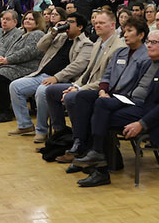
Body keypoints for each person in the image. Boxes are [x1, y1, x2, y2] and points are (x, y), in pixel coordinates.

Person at [72, 29, 159, 187]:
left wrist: (142, 124)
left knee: (99, 113)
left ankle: (98, 162)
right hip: (130, 101)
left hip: (146, 111)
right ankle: (89, 151)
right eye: (148, 42)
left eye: (154, 43)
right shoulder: (148, 63)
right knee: (85, 97)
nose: (149, 45)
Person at [56, 15, 150, 166]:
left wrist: (108, 96)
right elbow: (106, 75)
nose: (125, 34)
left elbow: (138, 88)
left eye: (129, 31)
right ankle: (80, 142)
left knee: (99, 107)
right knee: (82, 97)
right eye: (124, 31)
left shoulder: (146, 57)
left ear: (141, 35)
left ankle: (96, 151)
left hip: (127, 98)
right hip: (110, 94)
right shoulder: (121, 53)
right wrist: (102, 91)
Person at [8, 12, 94, 142]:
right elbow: (40, 46)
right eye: (66, 21)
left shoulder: (86, 44)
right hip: (41, 74)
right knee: (15, 86)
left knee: (42, 91)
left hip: (62, 80)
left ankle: (41, 130)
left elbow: (77, 66)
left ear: (80, 27)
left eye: (70, 22)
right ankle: (25, 125)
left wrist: (57, 77)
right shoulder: (60, 37)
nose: (67, 24)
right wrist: (53, 32)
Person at [41, 9, 126, 141]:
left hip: (103, 90)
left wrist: (78, 89)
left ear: (113, 25)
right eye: (96, 23)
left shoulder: (118, 48)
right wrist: (76, 85)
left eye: (102, 23)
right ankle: (61, 133)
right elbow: (87, 73)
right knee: (51, 91)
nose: (97, 25)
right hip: (86, 85)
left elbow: (108, 80)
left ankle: (80, 138)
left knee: (71, 97)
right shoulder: (98, 42)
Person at [0, 11, 45, 123]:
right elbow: (5, 47)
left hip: (28, 66)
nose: (27, 21)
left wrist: (8, 60)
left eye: (31, 19)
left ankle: (5, 111)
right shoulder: (21, 34)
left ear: (38, 22)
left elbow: (28, 52)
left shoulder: (38, 34)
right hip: (12, 63)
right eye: (26, 18)